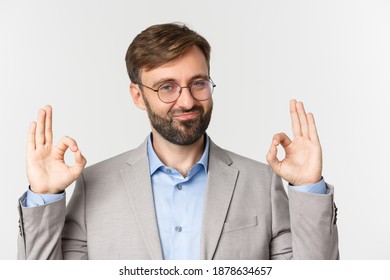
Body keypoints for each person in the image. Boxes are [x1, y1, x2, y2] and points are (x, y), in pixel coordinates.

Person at [17, 23, 339, 260]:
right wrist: (44, 197)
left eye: (197, 83)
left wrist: (308, 188)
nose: (186, 101)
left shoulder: (261, 183)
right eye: (167, 87)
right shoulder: (94, 186)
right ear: (138, 96)